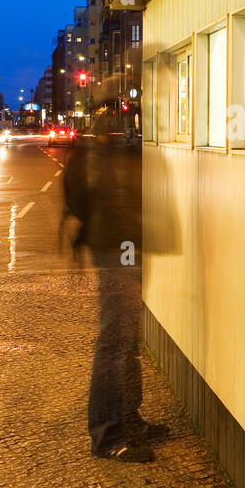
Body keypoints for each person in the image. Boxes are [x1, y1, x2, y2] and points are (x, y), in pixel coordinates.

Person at [63, 134, 165, 463]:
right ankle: (107, 435)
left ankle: (128, 419)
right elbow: (82, 197)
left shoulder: (116, 141)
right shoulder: (103, 142)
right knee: (115, 340)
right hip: (116, 245)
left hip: (125, 241)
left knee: (127, 339)